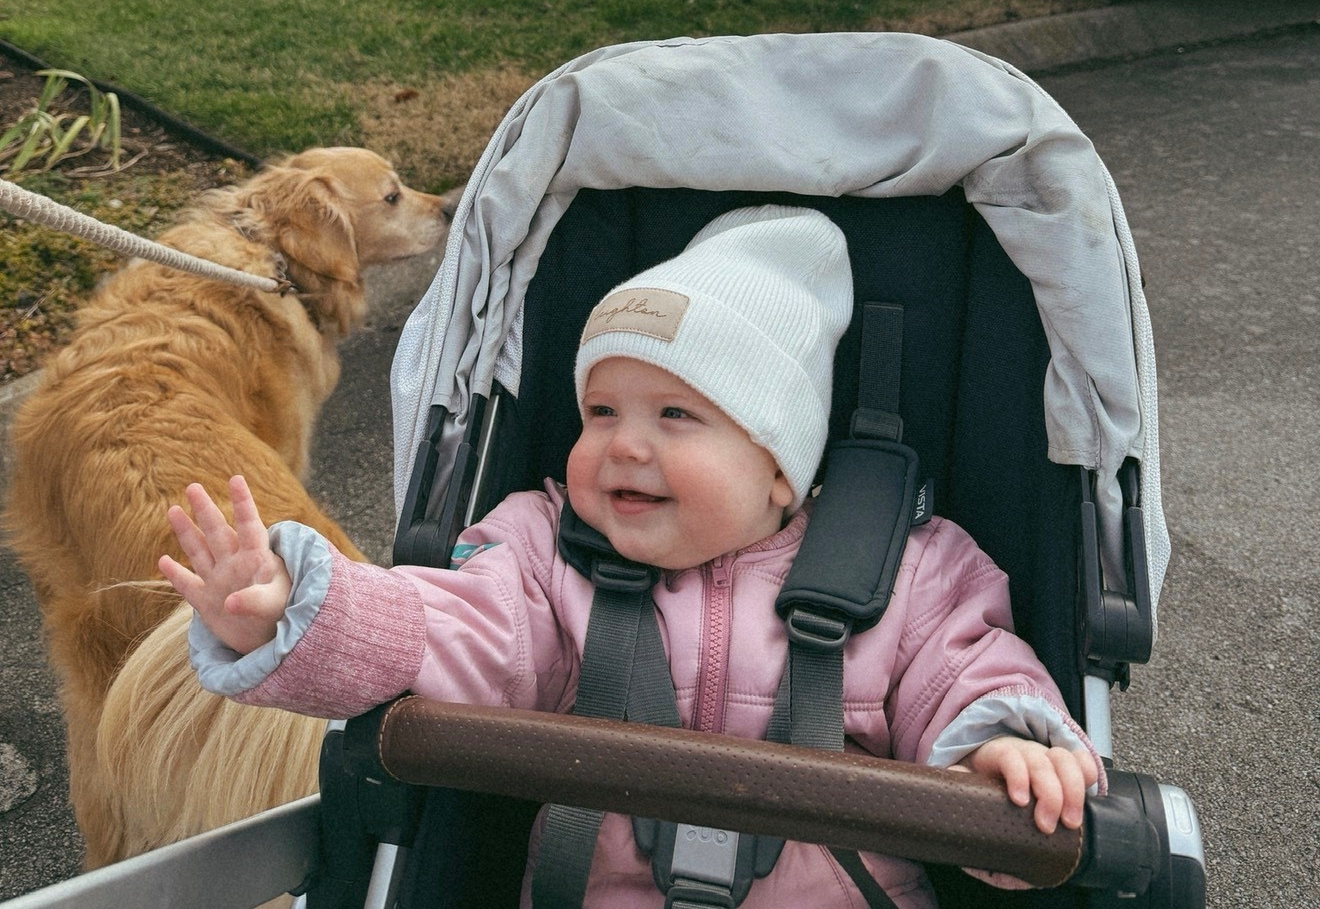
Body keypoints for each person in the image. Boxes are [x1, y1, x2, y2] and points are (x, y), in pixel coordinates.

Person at [162, 205, 1101, 908]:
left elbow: (968, 669)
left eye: (675, 416)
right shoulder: (543, 553)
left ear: (781, 466)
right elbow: (447, 628)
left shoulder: (911, 573)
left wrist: (1006, 749)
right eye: (601, 411)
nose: (623, 445)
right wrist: (294, 606)